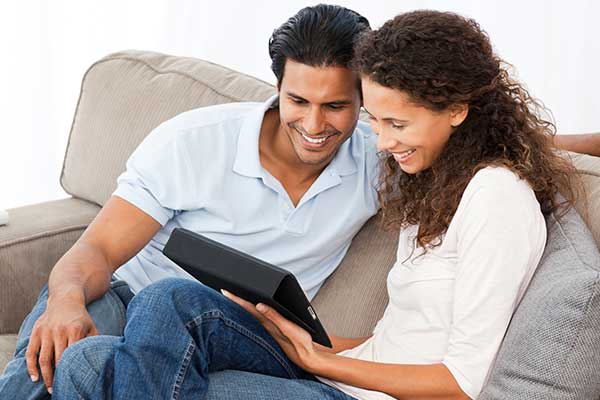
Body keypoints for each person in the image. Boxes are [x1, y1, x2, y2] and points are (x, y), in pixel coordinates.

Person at [52, 9, 584, 400]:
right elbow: (403, 335)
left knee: (95, 366)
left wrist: (318, 360)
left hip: (361, 395)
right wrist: (314, 342)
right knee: (152, 308)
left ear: (458, 112)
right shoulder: (435, 181)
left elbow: (461, 382)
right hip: (345, 371)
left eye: (396, 124)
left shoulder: (495, 198)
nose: (380, 143)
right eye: (375, 121)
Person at [0, 5, 376, 399]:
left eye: (335, 106)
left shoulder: (378, 163)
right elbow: (98, 248)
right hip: (128, 294)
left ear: (364, 98)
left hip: (235, 332)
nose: (314, 125)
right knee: (59, 355)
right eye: (298, 101)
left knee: (166, 304)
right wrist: (64, 301)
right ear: (278, 89)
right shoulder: (196, 141)